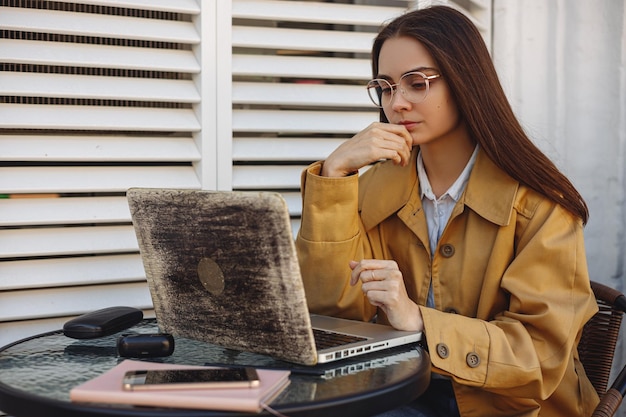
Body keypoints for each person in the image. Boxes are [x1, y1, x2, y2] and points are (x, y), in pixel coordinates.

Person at [295, 5, 599, 417]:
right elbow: (327, 315)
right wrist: (333, 175)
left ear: (465, 82)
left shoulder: (540, 205)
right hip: (395, 392)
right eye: (385, 87)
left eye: (417, 83)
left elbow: (539, 356)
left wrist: (418, 319)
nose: (397, 103)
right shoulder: (368, 190)